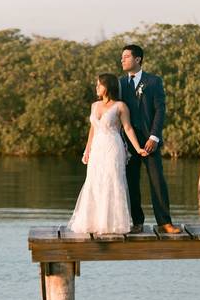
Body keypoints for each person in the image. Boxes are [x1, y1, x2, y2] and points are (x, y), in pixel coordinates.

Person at [68, 73, 148, 234]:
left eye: (99, 84)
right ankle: (94, 222)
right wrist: (87, 149)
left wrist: (138, 148)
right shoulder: (94, 105)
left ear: (108, 86)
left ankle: (113, 224)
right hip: (97, 148)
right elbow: (93, 129)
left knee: (112, 181)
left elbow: (128, 128)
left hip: (113, 147)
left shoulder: (120, 106)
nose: (97, 87)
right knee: (94, 181)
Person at [119, 45, 181, 234]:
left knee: (157, 181)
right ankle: (137, 222)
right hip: (128, 142)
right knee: (131, 181)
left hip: (149, 141)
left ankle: (164, 222)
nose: (122, 60)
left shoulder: (153, 81)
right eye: (121, 57)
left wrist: (154, 136)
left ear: (138, 59)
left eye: (126, 57)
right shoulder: (120, 83)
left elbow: (160, 110)